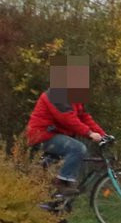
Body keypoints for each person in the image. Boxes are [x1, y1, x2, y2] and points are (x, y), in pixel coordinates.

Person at [25, 59, 107, 192]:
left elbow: (84, 117)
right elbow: (67, 119)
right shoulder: (55, 94)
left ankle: (57, 194)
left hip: (54, 134)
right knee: (78, 148)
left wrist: (103, 135)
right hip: (42, 135)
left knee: (71, 153)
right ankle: (63, 183)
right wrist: (89, 133)